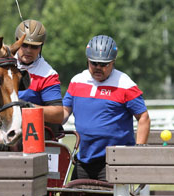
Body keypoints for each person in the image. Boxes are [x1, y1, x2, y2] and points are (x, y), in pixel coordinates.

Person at [0, 19, 64, 151]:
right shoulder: (4, 63)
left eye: (34, 47)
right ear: (17, 42)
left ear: (41, 47)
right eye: (24, 45)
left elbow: (58, 114)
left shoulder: (48, 74)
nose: (28, 50)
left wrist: (27, 107)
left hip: (23, 129)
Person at [62, 35, 150, 181]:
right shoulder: (77, 81)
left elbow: (144, 117)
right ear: (87, 60)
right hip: (83, 161)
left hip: (114, 162)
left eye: (104, 64)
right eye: (94, 63)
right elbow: (64, 112)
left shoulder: (125, 84)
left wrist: (138, 152)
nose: (98, 67)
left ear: (113, 62)